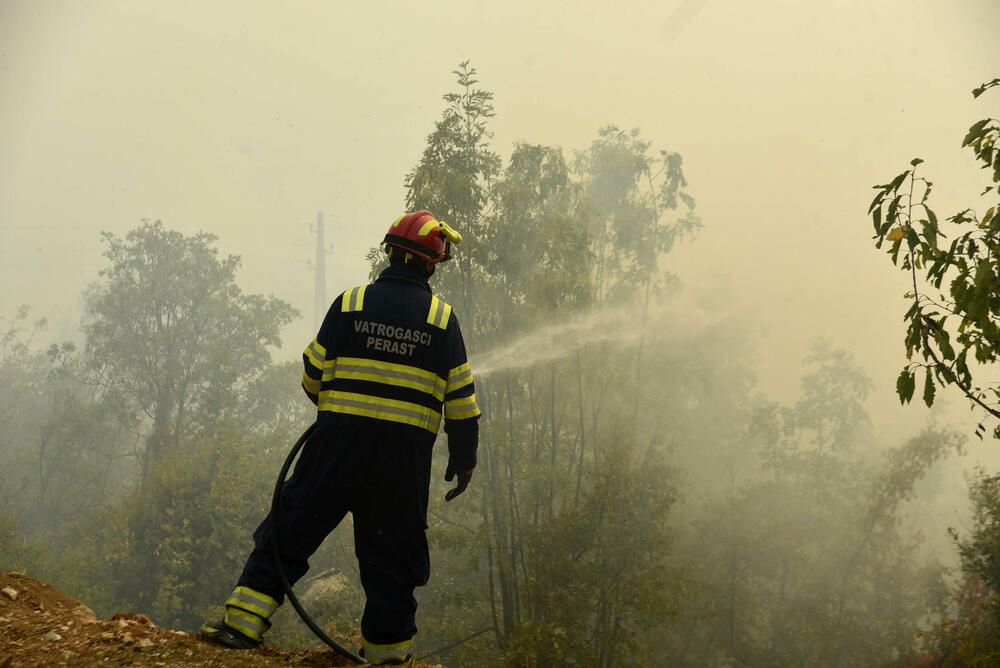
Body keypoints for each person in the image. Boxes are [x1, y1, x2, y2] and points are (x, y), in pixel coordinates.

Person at [201, 211, 481, 666]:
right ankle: (387, 658)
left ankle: (241, 627)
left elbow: (313, 376)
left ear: (390, 253)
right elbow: (462, 405)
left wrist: (343, 412)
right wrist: (463, 461)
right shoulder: (440, 319)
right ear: (430, 264)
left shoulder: (349, 304)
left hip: (334, 450)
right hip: (399, 467)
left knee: (289, 529)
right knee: (392, 561)